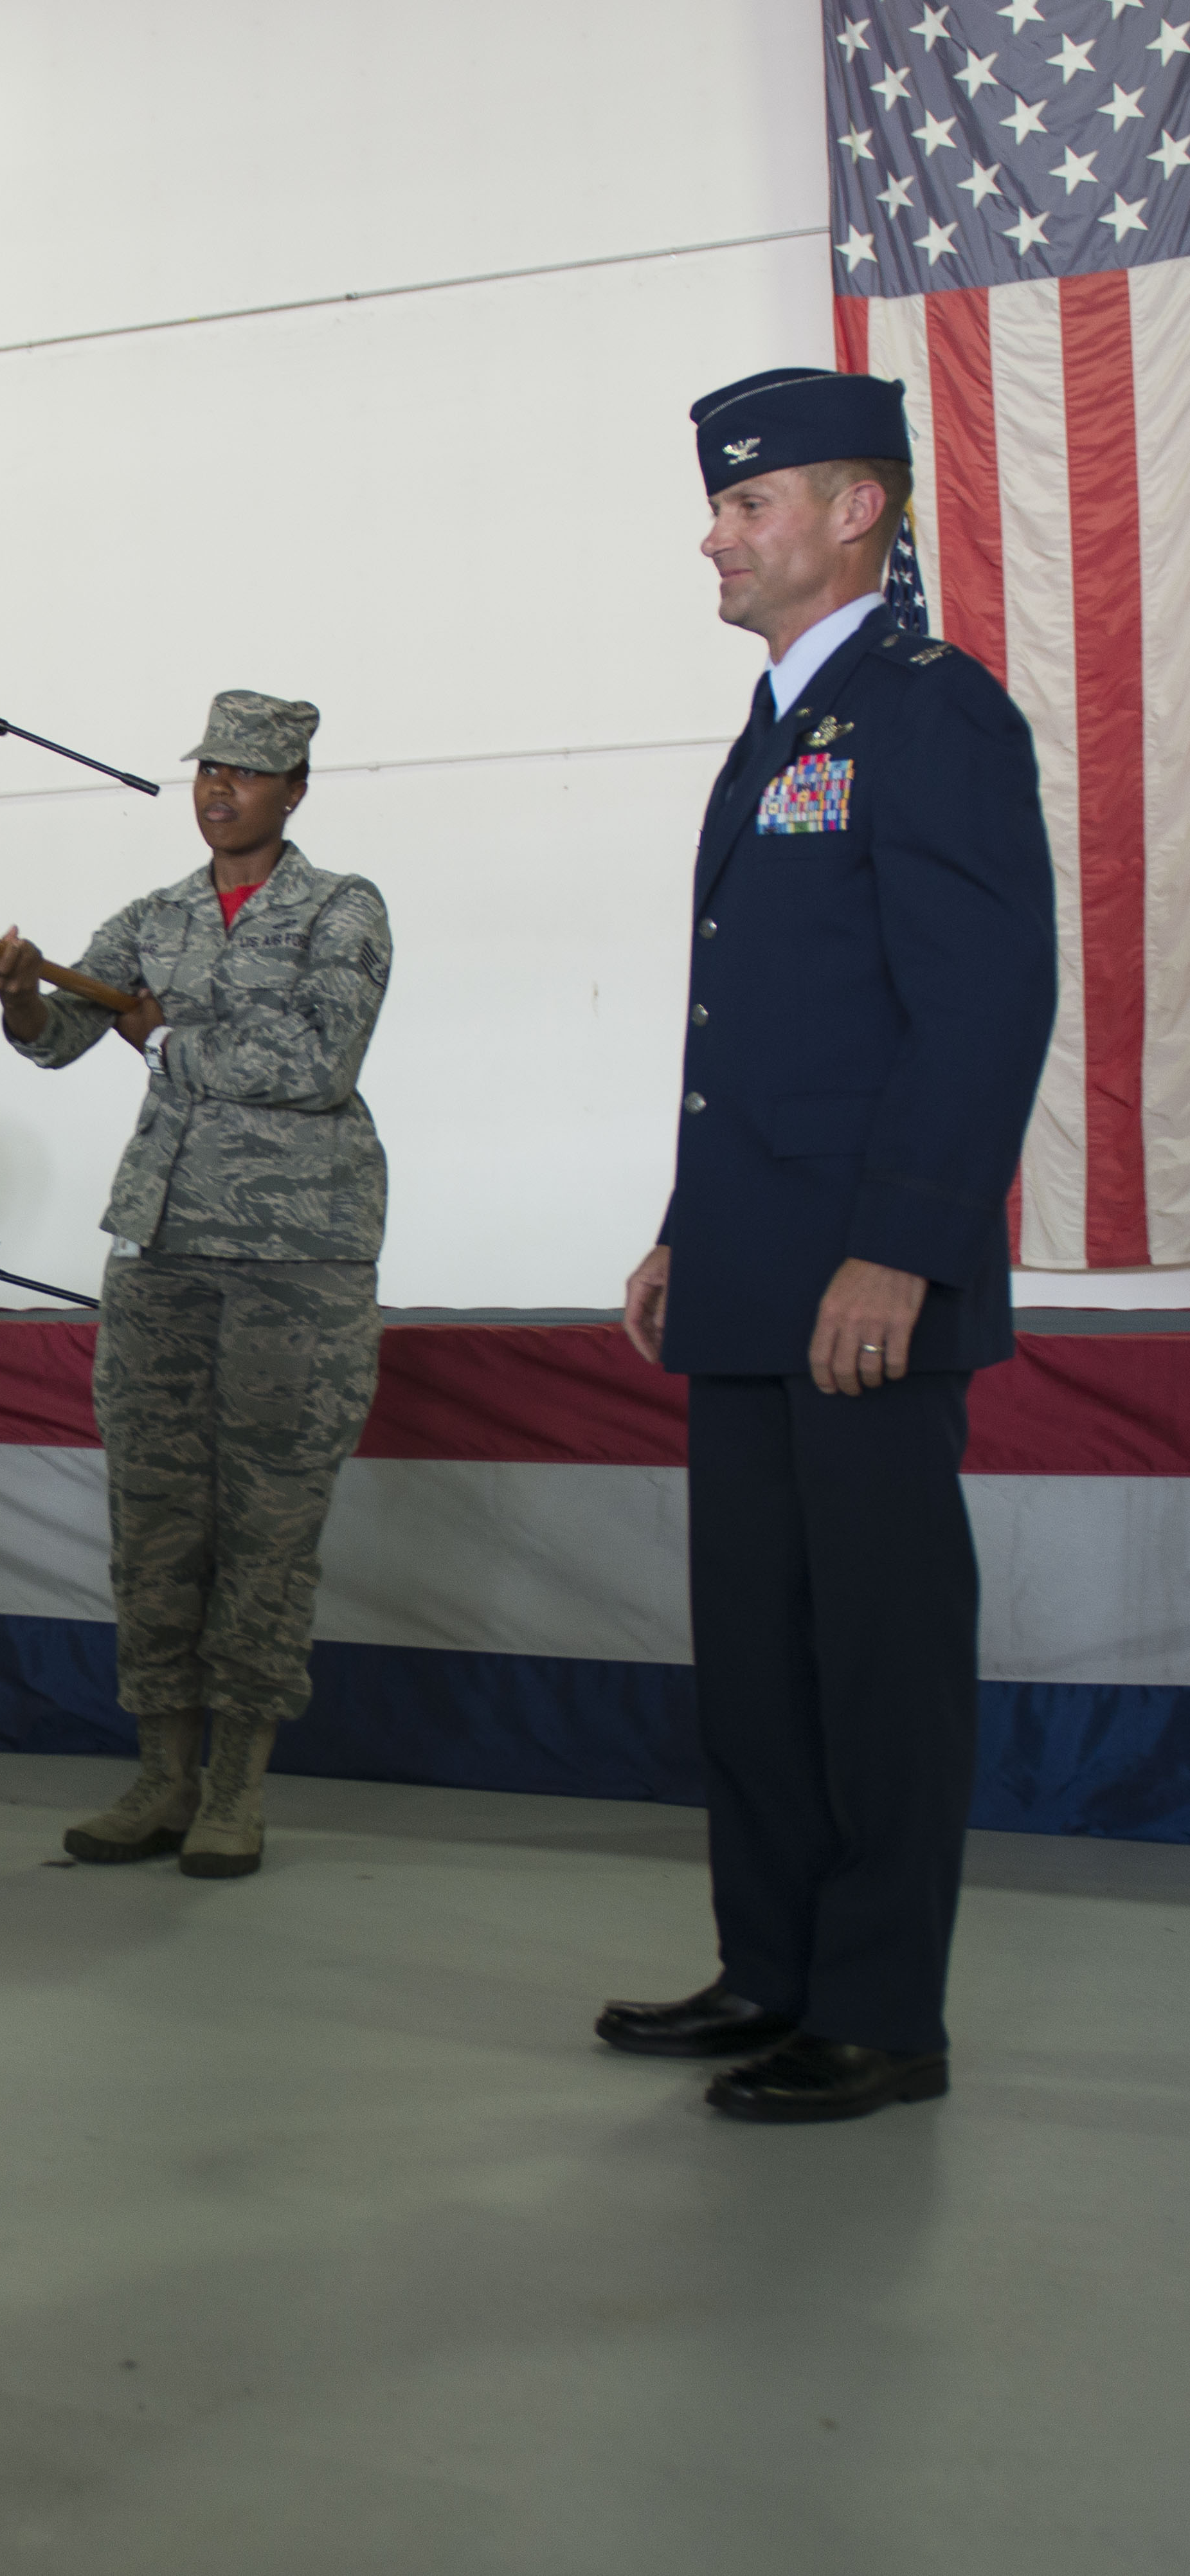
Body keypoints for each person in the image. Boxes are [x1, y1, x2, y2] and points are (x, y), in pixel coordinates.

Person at [599, 368, 1056, 2125]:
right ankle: (772, 1964)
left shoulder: (931, 713)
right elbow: (762, 1027)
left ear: (857, 509)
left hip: (864, 1283)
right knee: (759, 1652)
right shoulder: (777, 723)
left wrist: (904, 1250)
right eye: (718, 505)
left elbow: (982, 1003)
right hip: (747, 1271)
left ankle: (878, 2010)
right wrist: (682, 1228)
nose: (714, 536)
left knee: (875, 1655)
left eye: (747, 502)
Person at [0, 690, 393, 1882]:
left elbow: (318, 1062)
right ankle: (162, 1777)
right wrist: (20, 995)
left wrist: (168, 1039)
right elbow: (63, 1034)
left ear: (295, 789)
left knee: (267, 1525)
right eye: (209, 766)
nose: (220, 787)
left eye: (248, 771)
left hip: (295, 1260)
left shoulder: (341, 908)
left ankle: (235, 1789)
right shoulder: (154, 918)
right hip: (161, 1252)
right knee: (155, 1522)